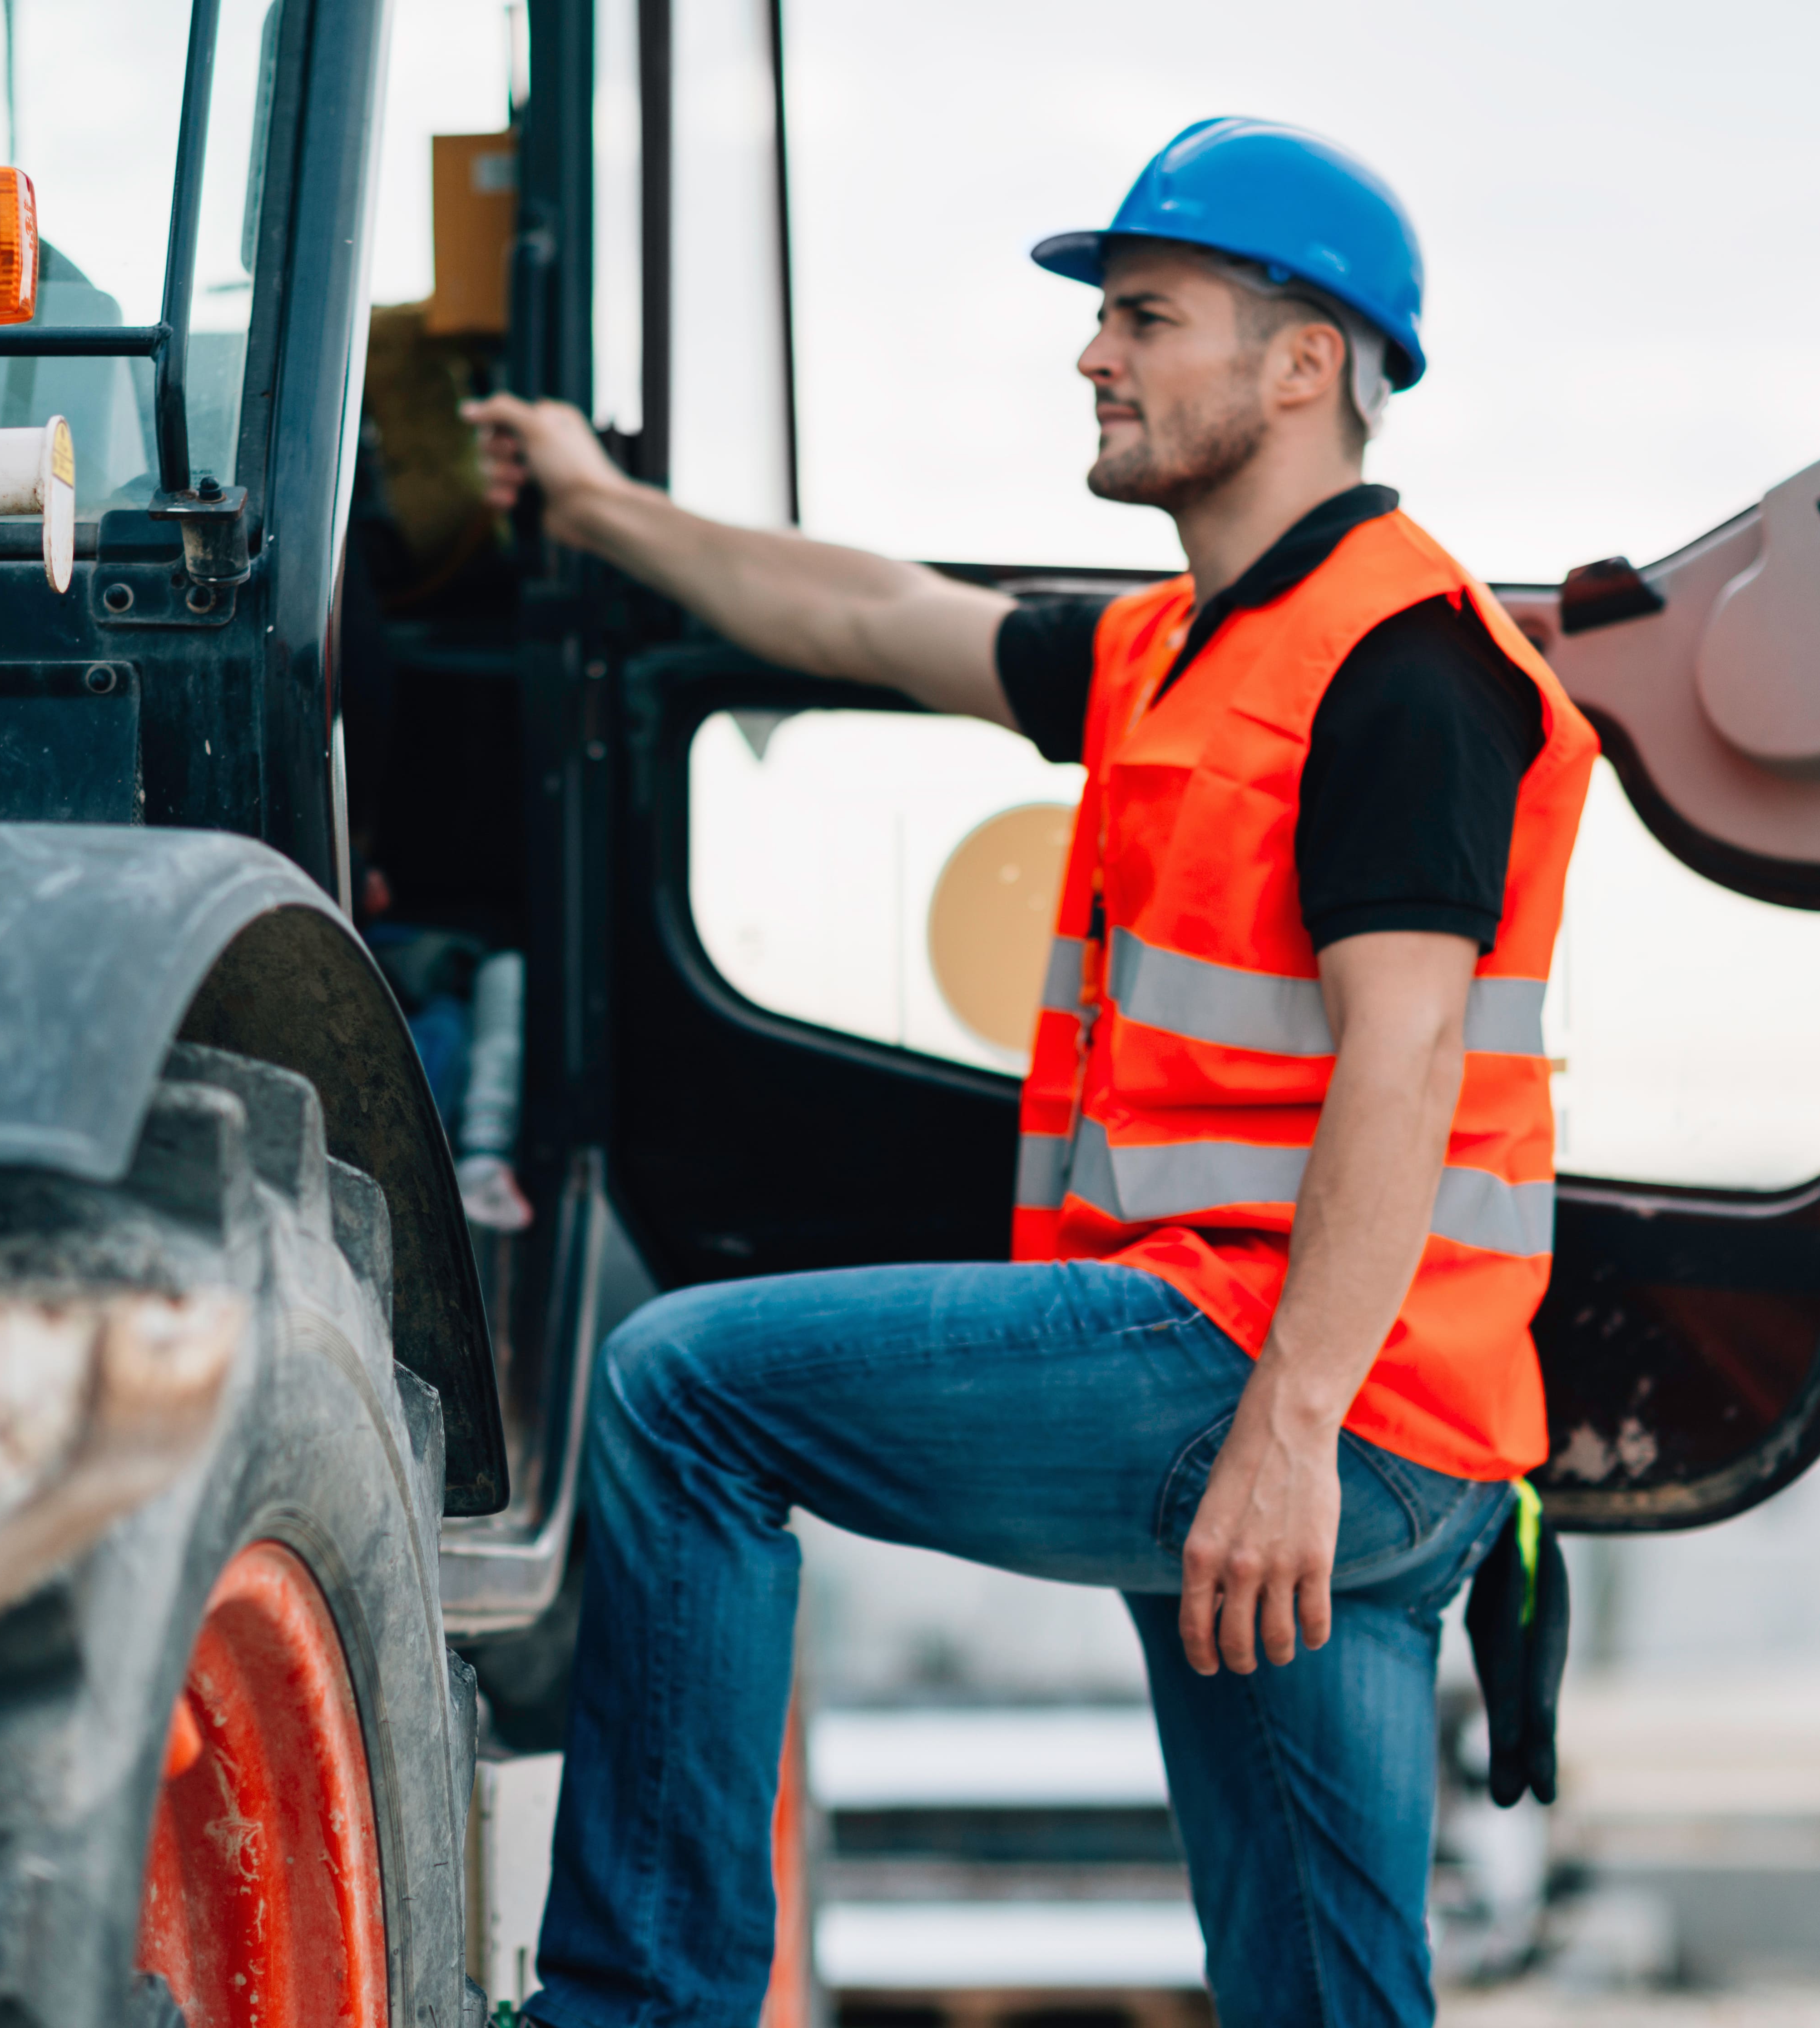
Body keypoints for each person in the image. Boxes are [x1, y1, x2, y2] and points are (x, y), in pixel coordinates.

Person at [466, 117, 1597, 2027]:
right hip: (1352, 1410)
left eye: (1143, 318)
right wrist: (598, 514)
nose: (1093, 355)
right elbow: (864, 614)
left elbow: (1398, 1067)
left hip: (1276, 1380)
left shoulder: (1400, 665)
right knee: (1320, 1996)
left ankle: (637, 2010)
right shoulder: (1176, 650)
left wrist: (1283, 1435)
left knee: (679, 1401)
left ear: (1302, 361)